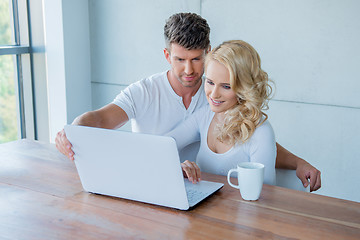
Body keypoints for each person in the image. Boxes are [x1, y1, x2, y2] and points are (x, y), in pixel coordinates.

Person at [55, 12, 321, 191]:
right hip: (156, 187)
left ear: (208, 53)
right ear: (167, 55)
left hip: (203, 196)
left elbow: (256, 138)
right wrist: (74, 132)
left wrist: (298, 162)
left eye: (196, 59)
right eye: (179, 59)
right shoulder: (146, 92)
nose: (189, 71)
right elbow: (101, 120)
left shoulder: (216, 99)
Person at [167, 40, 276, 184]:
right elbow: (163, 145)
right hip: (204, 204)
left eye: (226, 86)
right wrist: (177, 167)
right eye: (210, 82)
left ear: (244, 88)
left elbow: (266, 194)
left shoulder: (261, 131)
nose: (214, 94)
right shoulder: (204, 116)